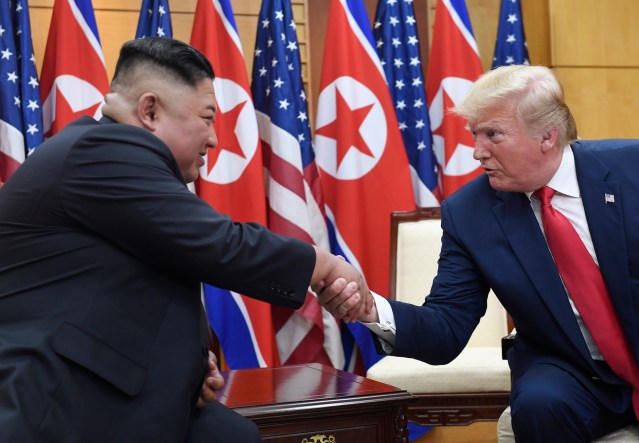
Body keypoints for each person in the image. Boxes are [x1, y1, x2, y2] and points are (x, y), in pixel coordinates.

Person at [317, 65, 639, 443]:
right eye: (474, 135)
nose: (476, 152)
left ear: (547, 136)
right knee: (538, 406)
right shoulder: (470, 213)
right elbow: (446, 327)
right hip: (574, 373)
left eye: (492, 135)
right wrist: (370, 308)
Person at [0, 37, 367, 443]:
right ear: (150, 110)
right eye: (207, 118)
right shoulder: (101, 150)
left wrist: (185, 367)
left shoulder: (106, 153)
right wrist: (324, 265)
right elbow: (219, 245)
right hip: (58, 403)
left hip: (113, 391)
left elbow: (120, 289)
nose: (214, 139)